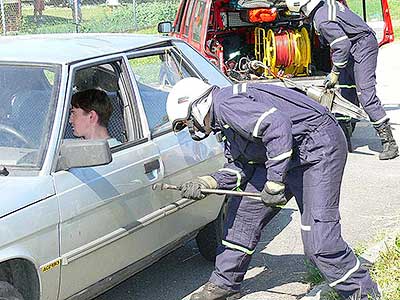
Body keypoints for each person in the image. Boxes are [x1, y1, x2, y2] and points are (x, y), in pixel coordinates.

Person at [166, 77, 381, 300]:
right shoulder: (225, 122)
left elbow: (276, 125)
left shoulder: (226, 105)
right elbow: (240, 167)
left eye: (187, 122)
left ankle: (364, 293)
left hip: (318, 149)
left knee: (320, 242)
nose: (191, 128)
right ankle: (225, 284)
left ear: (197, 106)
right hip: (288, 153)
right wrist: (207, 182)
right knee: (242, 216)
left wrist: (275, 182)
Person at [285, 0, 398, 160]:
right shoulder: (323, 6)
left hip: (363, 45)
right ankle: (345, 137)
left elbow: (342, 45)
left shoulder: (322, 19)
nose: (302, 18)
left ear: (304, 8)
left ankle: (389, 142)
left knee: (365, 94)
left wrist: (335, 72)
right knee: (345, 91)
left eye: (301, 14)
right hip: (353, 44)